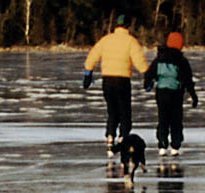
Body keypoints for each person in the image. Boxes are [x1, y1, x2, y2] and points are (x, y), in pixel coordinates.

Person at [83, 15, 149, 156]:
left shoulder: (106, 40)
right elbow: (139, 61)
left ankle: (110, 135)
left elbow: (93, 55)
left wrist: (88, 72)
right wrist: (147, 75)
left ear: (116, 26)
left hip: (108, 80)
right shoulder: (131, 41)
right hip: (123, 81)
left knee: (112, 110)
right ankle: (123, 136)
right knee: (125, 111)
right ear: (127, 26)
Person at [143, 31, 197, 156]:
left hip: (161, 92)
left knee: (163, 118)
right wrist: (193, 95)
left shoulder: (159, 58)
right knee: (176, 119)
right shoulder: (181, 60)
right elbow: (187, 79)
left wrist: (148, 83)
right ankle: (175, 145)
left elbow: (150, 73)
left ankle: (162, 144)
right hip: (176, 93)